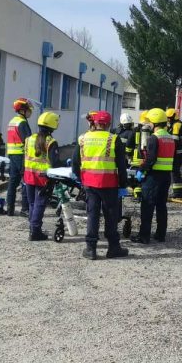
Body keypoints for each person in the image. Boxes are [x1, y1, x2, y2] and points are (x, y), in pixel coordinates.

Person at [72, 111, 130, 259]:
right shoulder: (114, 139)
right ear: (109, 124)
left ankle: (91, 249)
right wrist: (123, 185)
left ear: (95, 123)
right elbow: (121, 166)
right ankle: (113, 247)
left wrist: (81, 180)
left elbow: (75, 164)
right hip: (109, 183)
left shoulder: (83, 138)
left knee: (93, 215)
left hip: (90, 184)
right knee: (111, 215)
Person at [131, 108, 175, 244]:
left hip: (153, 177)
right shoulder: (170, 138)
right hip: (166, 176)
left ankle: (144, 236)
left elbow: (151, 159)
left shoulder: (153, 138)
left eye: (149, 121)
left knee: (147, 206)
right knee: (161, 206)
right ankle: (160, 235)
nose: (148, 124)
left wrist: (141, 170)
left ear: (154, 123)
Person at [23, 111, 61, 241]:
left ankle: (33, 228)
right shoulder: (51, 141)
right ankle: (35, 231)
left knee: (32, 203)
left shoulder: (29, 139)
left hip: (29, 175)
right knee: (39, 204)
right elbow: (55, 163)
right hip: (43, 178)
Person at [6, 98, 33, 217]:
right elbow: (28, 141)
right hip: (21, 155)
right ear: (22, 110)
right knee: (26, 182)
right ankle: (25, 209)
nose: (30, 112)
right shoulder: (22, 122)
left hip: (12, 155)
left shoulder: (12, 121)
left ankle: (10, 209)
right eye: (28, 110)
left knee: (12, 183)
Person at [167, 108, 182, 198]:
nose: (168, 119)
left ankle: (177, 193)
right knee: (175, 172)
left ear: (173, 116)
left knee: (175, 172)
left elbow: (174, 141)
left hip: (177, 154)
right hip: (180, 153)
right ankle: (177, 191)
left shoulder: (176, 125)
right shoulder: (179, 124)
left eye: (169, 117)